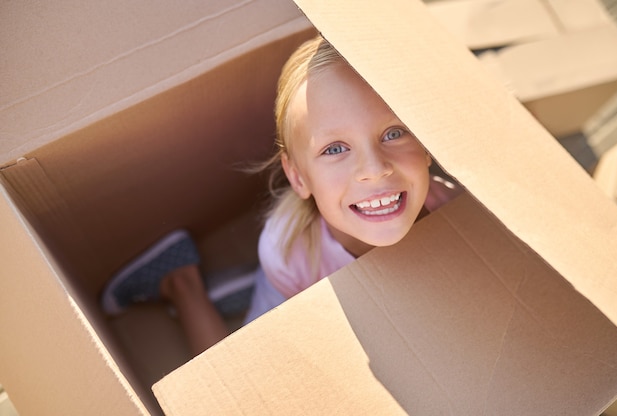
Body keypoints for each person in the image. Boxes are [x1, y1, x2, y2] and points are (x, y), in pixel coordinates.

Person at [101, 35, 462, 357]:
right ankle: (183, 282)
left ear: (426, 143)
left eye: (394, 132)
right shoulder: (289, 249)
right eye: (335, 149)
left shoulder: (459, 211)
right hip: (295, 282)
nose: (374, 168)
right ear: (298, 176)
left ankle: (246, 283)